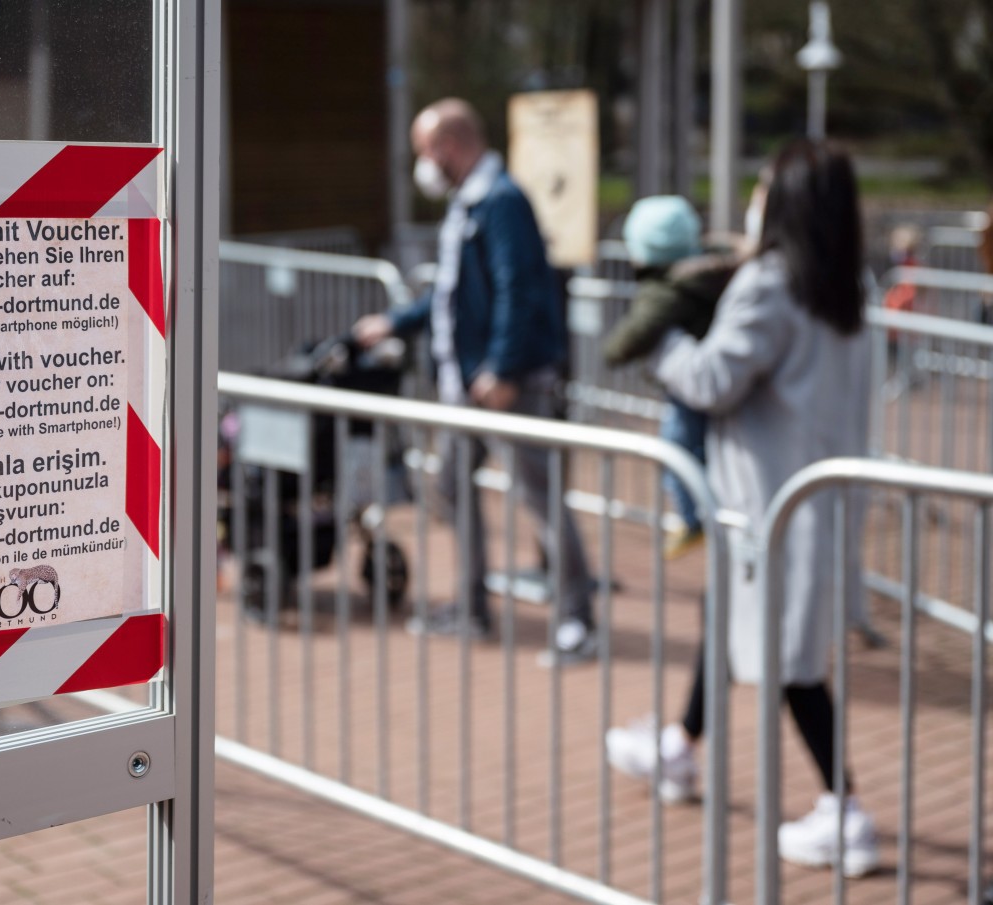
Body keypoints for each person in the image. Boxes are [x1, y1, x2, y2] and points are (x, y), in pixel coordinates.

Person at [603, 139, 881, 878]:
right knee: (733, 622)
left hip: (769, 501)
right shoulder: (844, 285)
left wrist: (658, 336)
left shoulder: (769, 283)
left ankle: (845, 809)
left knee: (791, 662)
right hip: (814, 495)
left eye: (763, 188)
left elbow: (712, 377)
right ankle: (680, 747)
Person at [354, 98, 596, 661]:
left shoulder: (501, 200)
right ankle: (470, 605)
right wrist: (395, 321)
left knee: (539, 498)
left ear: (449, 145)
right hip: (468, 385)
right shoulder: (471, 201)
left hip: (501, 383)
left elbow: (520, 289)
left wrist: (503, 369)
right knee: (452, 488)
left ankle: (578, 620)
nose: (422, 162)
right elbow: (451, 295)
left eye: (424, 150)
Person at [601, 196, 738, 558]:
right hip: (709, 386)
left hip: (688, 390)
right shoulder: (710, 270)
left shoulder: (664, 291)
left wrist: (612, 350)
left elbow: (631, 336)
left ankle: (693, 519)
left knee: (676, 452)